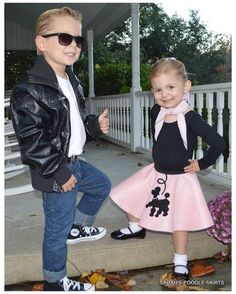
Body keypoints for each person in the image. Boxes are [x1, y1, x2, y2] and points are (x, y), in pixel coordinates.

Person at [10, 7, 111, 291]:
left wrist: (92, 126)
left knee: (102, 185)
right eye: (65, 38)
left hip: (75, 161)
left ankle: (76, 228)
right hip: (55, 170)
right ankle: (54, 281)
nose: (75, 45)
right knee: (56, 230)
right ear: (42, 43)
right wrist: (59, 172)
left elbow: (70, 123)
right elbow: (33, 141)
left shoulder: (71, 80)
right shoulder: (28, 89)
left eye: (79, 40)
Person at [110, 57, 226, 279]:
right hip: (157, 172)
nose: (164, 94)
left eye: (171, 87)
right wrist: (157, 148)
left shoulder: (191, 118)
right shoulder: (156, 112)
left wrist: (201, 163)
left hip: (180, 178)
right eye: (157, 90)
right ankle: (136, 227)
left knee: (179, 220)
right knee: (126, 193)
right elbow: (161, 135)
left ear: (186, 87)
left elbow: (219, 143)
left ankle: (180, 260)